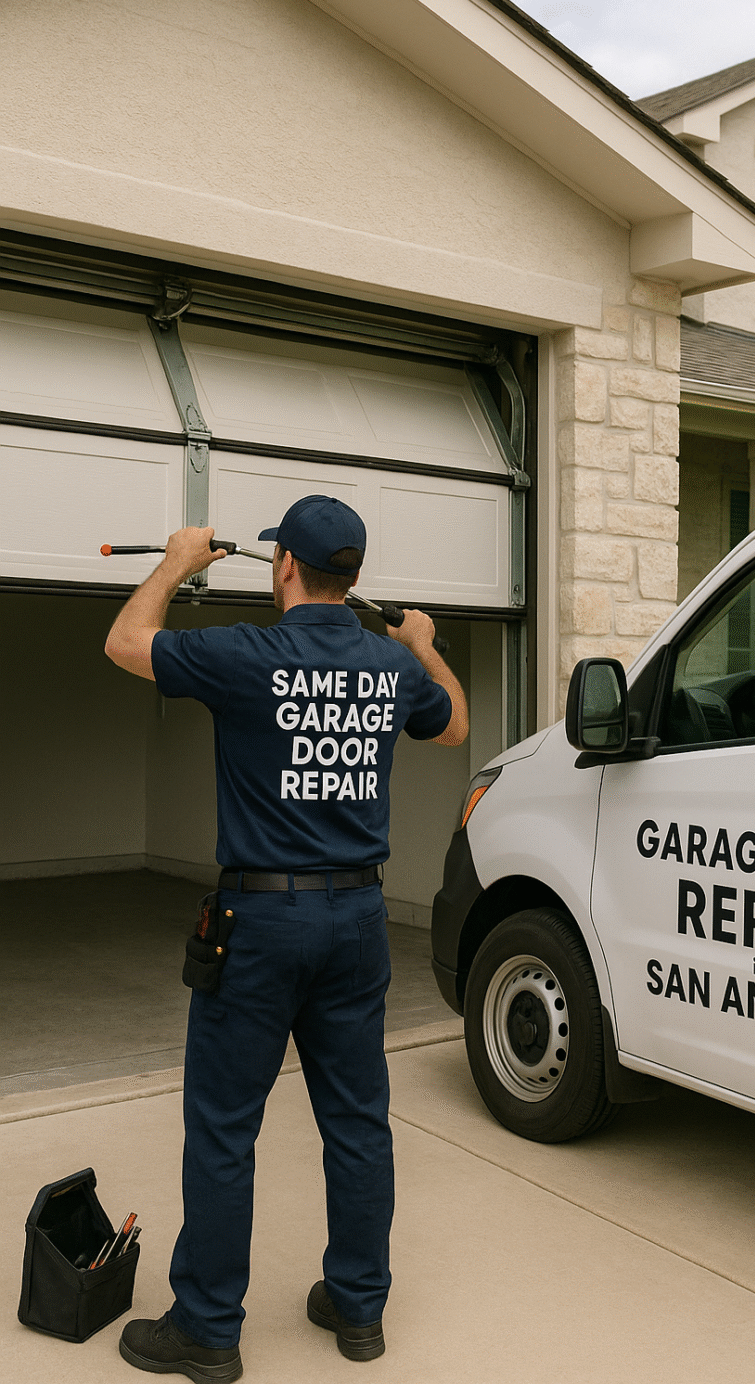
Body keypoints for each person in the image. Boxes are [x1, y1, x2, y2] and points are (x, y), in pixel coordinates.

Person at [104, 495, 467, 1383]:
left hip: (261, 923)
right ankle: (358, 1305)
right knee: (356, 1120)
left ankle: (207, 1329)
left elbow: (124, 642)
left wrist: (178, 562)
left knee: (224, 1126)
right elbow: (453, 721)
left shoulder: (245, 653)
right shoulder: (388, 663)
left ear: (285, 568)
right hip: (358, 922)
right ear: (352, 577)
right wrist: (422, 645)